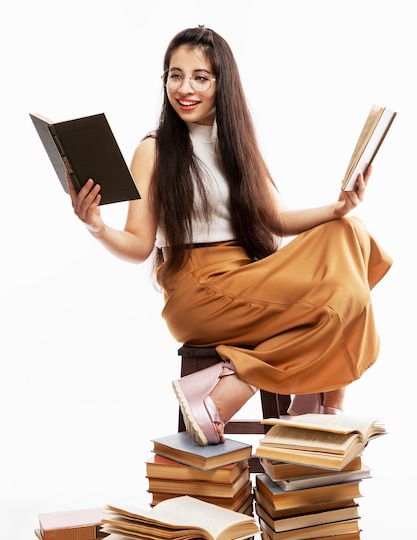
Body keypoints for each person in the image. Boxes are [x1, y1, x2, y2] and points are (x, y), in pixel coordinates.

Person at [68, 26, 392, 446]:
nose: (185, 88)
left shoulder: (236, 143)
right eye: (175, 75)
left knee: (349, 234)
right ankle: (310, 406)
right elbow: (139, 245)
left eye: (200, 77)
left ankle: (279, 398)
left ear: (223, 83)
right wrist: (96, 226)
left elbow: (274, 220)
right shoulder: (154, 149)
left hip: (247, 276)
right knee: (344, 300)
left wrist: (340, 208)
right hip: (197, 288)